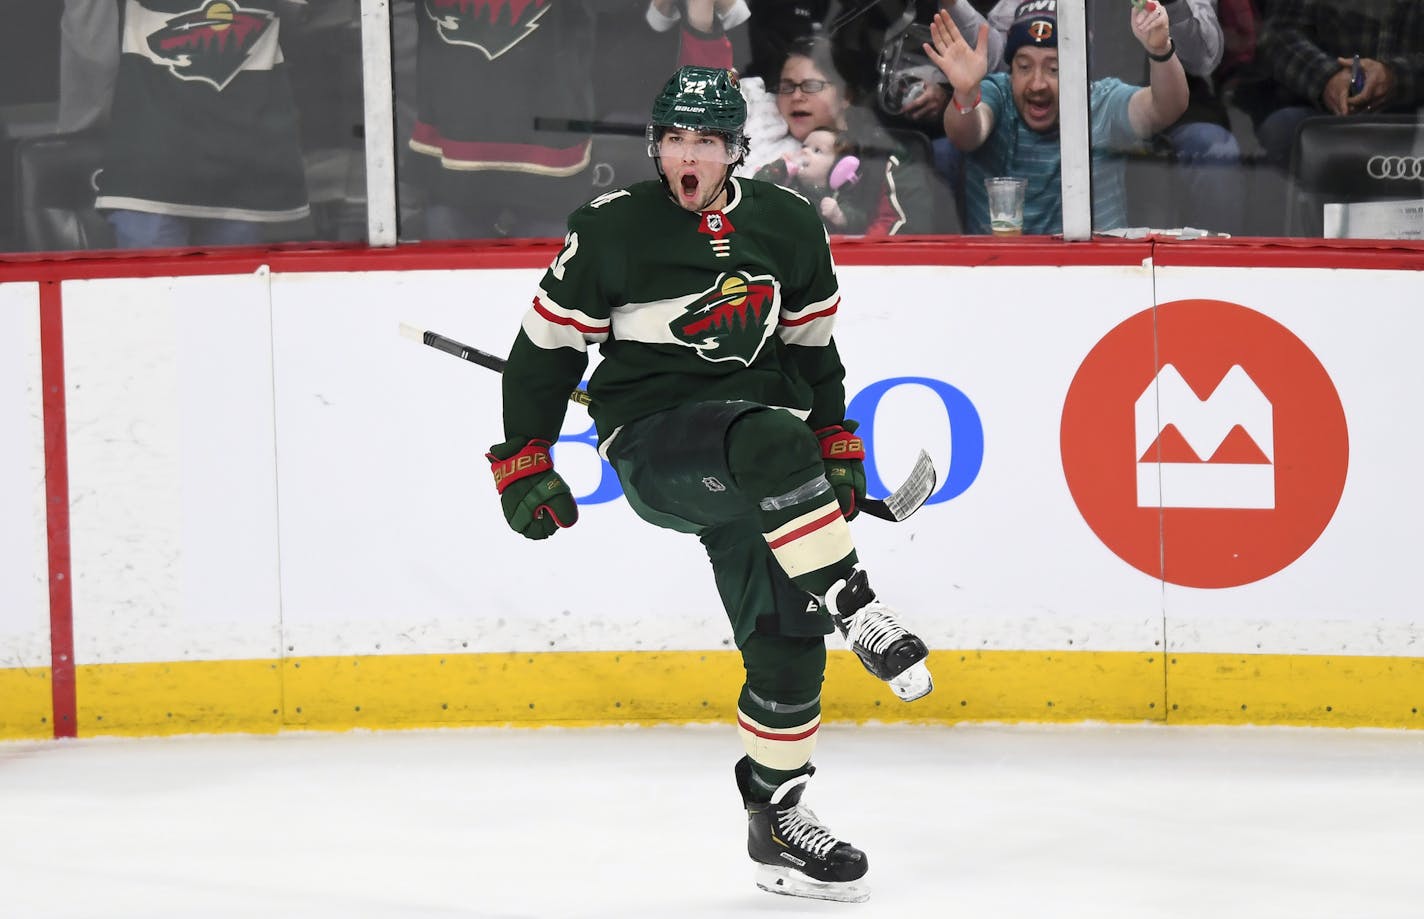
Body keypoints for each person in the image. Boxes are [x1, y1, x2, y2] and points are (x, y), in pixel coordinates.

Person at [485, 65, 933, 903]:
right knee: (771, 435)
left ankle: (776, 823)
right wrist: (526, 459)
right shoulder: (610, 230)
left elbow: (811, 353)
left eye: (705, 142)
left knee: (786, 650)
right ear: (658, 147)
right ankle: (859, 607)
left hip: (761, 462)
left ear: (734, 150)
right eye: (674, 141)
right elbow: (544, 352)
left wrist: (834, 444)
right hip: (657, 447)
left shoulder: (789, 225)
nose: (687, 156)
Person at [944, 0, 1240, 233]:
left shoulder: (1098, 102)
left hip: (1097, 283)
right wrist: (966, 94)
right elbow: (965, 132)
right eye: (1023, 67)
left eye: (1054, 69)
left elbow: (1167, 106)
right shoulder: (999, 93)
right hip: (998, 282)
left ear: (1078, 71)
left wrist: (1160, 50)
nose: (1037, 84)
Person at [93, 0, 312, 248]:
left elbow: (298, 21)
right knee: (156, 284)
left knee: (223, 284)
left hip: (235, 164)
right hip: (153, 161)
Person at [747, 37, 939, 233]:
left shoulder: (882, 156)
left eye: (811, 85)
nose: (796, 96)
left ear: (845, 96)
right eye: (787, 87)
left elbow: (907, 235)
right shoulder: (771, 153)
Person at [1250, 0, 1424, 170]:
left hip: (1414, 121)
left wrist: (1396, 77)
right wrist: (1328, 78)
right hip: (1326, 118)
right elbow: (1278, 35)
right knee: (1282, 129)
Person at [755, 125, 868, 232]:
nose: (804, 151)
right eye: (804, 146)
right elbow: (756, 190)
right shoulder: (788, 182)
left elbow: (861, 222)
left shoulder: (838, 197)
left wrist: (839, 216)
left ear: (839, 167)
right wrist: (778, 167)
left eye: (817, 150)